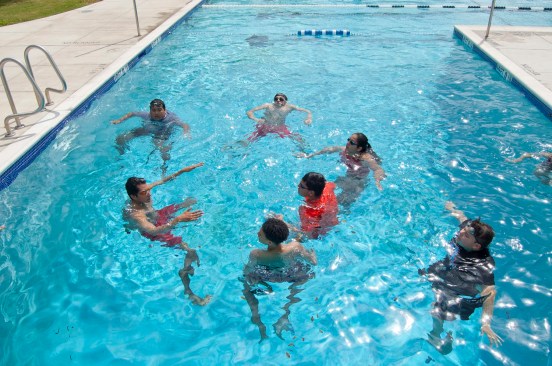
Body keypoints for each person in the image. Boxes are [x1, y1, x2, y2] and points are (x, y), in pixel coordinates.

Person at [419, 201, 502, 354]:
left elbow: (489, 292)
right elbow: (462, 218)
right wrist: (452, 208)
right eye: (464, 229)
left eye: (466, 234)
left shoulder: (483, 265)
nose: (461, 231)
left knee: (439, 309)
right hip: (447, 269)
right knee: (423, 272)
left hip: (460, 285)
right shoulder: (466, 233)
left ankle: (436, 335)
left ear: (476, 246)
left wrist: (486, 324)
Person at [124, 162, 210, 305]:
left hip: (157, 215)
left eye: (148, 189)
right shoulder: (136, 214)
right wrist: (177, 220)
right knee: (190, 251)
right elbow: (152, 230)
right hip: (153, 230)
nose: (149, 193)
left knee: (190, 201)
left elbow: (162, 181)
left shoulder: (142, 193)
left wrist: (182, 170)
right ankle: (188, 289)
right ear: (133, 196)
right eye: (144, 192)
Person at [242, 218, 317, 340]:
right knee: (305, 277)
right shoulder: (294, 247)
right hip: (291, 274)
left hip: (268, 277)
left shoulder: (256, 254)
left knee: (246, 285)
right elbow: (313, 262)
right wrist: (313, 255)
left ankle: (256, 316)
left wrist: (253, 279)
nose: (257, 234)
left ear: (270, 242)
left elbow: (247, 270)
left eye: (260, 234)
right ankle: (286, 314)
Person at [298, 132, 386, 206]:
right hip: (347, 177)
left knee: (343, 204)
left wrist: (377, 180)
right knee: (324, 191)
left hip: (358, 182)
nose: (348, 143)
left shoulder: (365, 158)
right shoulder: (345, 150)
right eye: (348, 140)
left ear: (359, 148)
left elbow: (378, 169)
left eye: (352, 142)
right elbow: (329, 149)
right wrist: (310, 155)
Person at [112, 99, 190, 174]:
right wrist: (119, 120)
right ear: (150, 111)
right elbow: (132, 113)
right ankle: (121, 156)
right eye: (154, 110)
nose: (156, 113)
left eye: (159, 110)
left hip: (162, 135)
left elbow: (184, 125)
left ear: (165, 110)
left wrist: (186, 133)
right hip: (148, 130)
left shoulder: (171, 118)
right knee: (120, 138)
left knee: (162, 150)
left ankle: (164, 169)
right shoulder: (147, 115)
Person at [245, 93, 312, 143]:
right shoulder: (268, 105)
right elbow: (249, 112)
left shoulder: (290, 107)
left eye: (281, 99)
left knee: (298, 139)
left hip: (280, 128)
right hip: (265, 126)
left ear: (286, 101)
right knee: (249, 140)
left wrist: (308, 118)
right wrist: (256, 119)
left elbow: (308, 111)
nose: (278, 100)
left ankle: (306, 152)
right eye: (276, 99)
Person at [297, 172, 339, 239]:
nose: (298, 186)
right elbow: (333, 185)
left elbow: (306, 234)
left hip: (326, 231)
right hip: (333, 214)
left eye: (301, 186)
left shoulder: (309, 210)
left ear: (311, 193)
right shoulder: (326, 187)